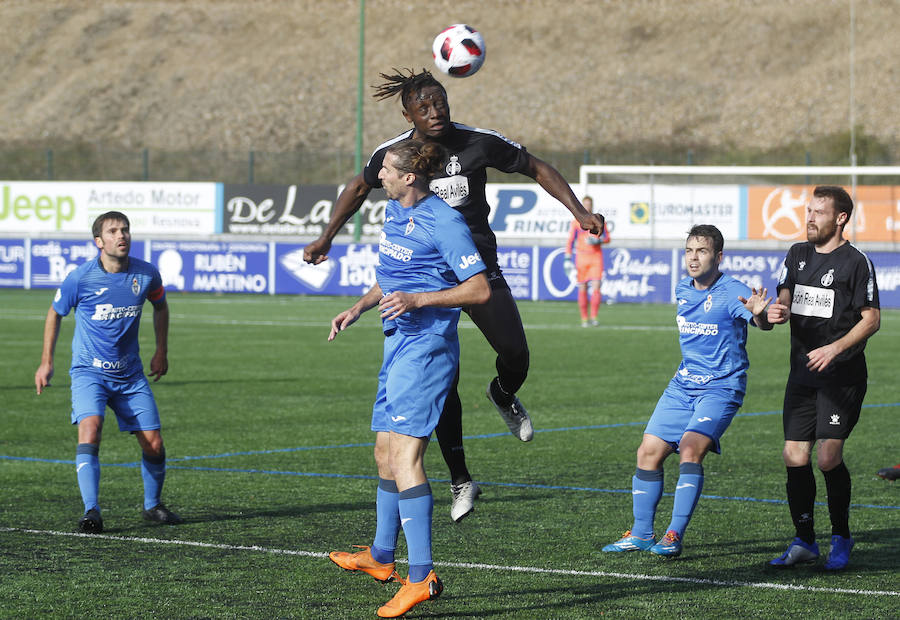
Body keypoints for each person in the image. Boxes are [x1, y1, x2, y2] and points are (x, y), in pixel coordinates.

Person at [304, 68, 605, 521]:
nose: (435, 111)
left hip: (478, 272)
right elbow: (357, 187)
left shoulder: (477, 142)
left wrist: (579, 212)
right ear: (408, 114)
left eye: (439, 101)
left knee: (516, 353)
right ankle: (461, 479)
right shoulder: (396, 155)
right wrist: (327, 236)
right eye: (423, 107)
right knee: (442, 385)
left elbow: (536, 167)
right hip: (427, 282)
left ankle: (503, 393)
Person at [326, 139, 490, 618]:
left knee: (405, 455)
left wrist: (420, 300)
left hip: (427, 351)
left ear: (410, 177)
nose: (377, 175)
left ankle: (421, 577)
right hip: (395, 343)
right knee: (383, 451)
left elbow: (478, 289)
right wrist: (359, 307)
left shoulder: (445, 220)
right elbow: (398, 273)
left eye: (385, 170)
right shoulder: (396, 213)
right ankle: (380, 557)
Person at [602, 224, 772, 558]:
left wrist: (762, 315)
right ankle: (640, 534)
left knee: (691, 449)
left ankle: (673, 535)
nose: (694, 258)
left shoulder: (732, 289)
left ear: (718, 256)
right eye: (689, 251)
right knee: (647, 453)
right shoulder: (682, 287)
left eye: (702, 251)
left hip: (721, 387)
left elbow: (760, 321)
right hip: (682, 385)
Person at [34, 211, 182, 533]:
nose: (122, 235)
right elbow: (55, 313)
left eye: (125, 230)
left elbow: (161, 306)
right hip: (90, 372)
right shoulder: (81, 278)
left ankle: (152, 506)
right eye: (113, 231)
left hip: (130, 375)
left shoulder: (146, 275)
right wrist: (47, 361)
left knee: (154, 444)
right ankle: (92, 511)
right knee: (91, 430)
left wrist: (161, 351)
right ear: (99, 242)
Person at [766, 186, 880, 571]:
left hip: (841, 377)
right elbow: (784, 296)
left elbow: (872, 318)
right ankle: (804, 541)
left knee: (828, 458)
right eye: (808, 210)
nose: (809, 217)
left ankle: (842, 536)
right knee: (794, 456)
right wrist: (776, 310)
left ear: (841, 218)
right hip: (801, 374)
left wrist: (835, 348)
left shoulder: (856, 262)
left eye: (818, 212)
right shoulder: (797, 254)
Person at [564, 196, 611, 326]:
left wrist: (599, 240)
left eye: (589, 204)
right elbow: (570, 241)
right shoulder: (576, 222)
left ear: (592, 205)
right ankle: (584, 318)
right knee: (582, 287)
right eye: (584, 204)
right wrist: (567, 258)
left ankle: (594, 317)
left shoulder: (598, 220)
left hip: (596, 256)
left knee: (596, 286)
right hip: (582, 257)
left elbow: (607, 238)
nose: (587, 207)